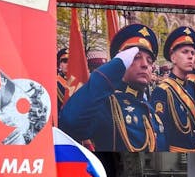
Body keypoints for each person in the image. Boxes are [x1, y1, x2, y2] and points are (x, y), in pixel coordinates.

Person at [59, 24, 167, 152]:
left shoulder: (150, 110)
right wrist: (116, 66)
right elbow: (70, 123)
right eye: (136, 58)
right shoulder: (106, 104)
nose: (145, 64)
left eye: (149, 61)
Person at [151, 26, 195, 152]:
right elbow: (161, 135)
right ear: (173, 58)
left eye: (193, 53)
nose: (190, 57)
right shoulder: (162, 91)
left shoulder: (190, 86)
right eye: (185, 52)